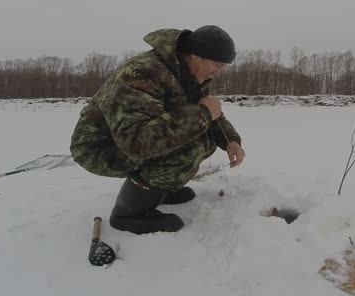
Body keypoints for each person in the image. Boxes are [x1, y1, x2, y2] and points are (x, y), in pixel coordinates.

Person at [70, 25, 245, 234]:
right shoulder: (143, 72)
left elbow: (210, 114)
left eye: (223, 67)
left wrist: (230, 140)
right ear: (196, 55)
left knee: (203, 138)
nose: (218, 73)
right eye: (217, 64)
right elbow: (137, 143)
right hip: (100, 147)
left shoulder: (189, 74)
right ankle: (129, 214)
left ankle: (160, 189)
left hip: (131, 141)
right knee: (189, 147)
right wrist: (203, 114)